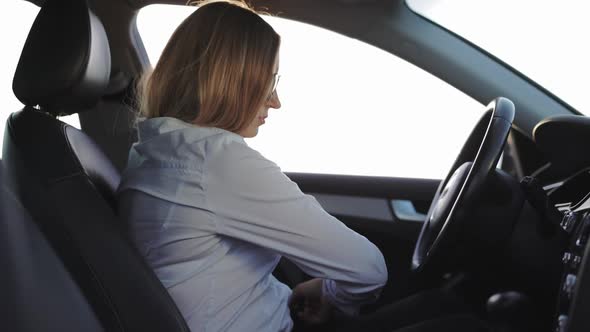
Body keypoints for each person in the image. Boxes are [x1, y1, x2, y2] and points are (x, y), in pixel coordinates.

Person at [117, 1, 388, 331]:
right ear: (232, 82)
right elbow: (367, 269)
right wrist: (330, 294)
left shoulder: (153, 150)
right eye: (269, 82)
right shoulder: (217, 162)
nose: (276, 101)